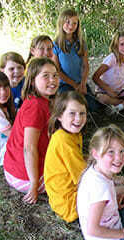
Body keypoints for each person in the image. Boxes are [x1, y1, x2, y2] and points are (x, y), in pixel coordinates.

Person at [3, 57, 59, 204]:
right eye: (45, 76)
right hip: (23, 176)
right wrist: (34, 183)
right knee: (72, 172)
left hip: (15, 168)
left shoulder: (41, 100)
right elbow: (29, 148)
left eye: (55, 75)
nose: (52, 80)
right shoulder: (35, 107)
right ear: (33, 80)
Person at [44, 91, 87, 222]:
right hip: (69, 205)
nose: (78, 119)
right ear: (59, 116)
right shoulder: (64, 141)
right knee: (120, 192)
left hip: (63, 198)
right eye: (72, 113)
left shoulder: (71, 134)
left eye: (82, 113)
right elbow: (84, 177)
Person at [52, 8, 102, 112]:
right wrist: (74, 85)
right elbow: (57, 70)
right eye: (67, 22)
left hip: (80, 82)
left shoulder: (81, 43)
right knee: (71, 106)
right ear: (61, 23)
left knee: (93, 107)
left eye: (74, 23)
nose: (71, 26)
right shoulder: (56, 44)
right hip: (64, 84)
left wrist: (82, 84)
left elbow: (85, 65)